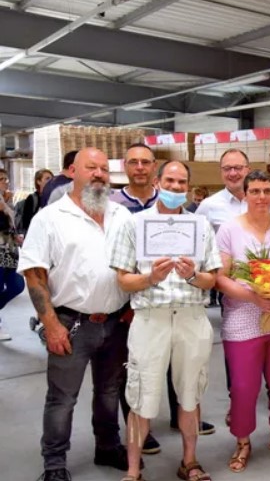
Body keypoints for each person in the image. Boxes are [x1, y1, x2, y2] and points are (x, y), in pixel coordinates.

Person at [18, 148, 133, 481]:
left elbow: (134, 266)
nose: (98, 174)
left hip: (115, 321)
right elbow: (35, 273)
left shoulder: (121, 216)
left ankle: (108, 447)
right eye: (90, 168)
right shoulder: (51, 218)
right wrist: (51, 325)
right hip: (71, 324)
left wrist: (131, 309)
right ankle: (54, 464)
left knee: (110, 391)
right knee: (62, 398)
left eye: (103, 169)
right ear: (72, 172)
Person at [110, 160, 222, 481]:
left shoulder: (200, 227)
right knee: (141, 396)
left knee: (190, 393)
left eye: (181, 182)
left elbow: (211, 280)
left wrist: (192, 276)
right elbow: (123, 280)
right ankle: (133, 472)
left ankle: (189, 462)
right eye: (170, 181)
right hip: (150, 320)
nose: (175, 188)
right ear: (158, 181)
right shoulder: (134, 224)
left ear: (188, 186)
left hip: (191, 318)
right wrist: (150, 277)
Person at [216, 169, 270, 472]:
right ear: (245, 194)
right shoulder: (230, 230)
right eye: (255, 191)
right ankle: (242, 442)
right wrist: (254, 297)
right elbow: (220, 278)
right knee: (243, 387)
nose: (262, 197)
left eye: (267, 190)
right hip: (242, 321)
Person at [196, 149, 270, 231]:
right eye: (227, 168)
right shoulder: (208, 206)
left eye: (238, 168)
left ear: (248, 170)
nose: (233, 173)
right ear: (221, 172)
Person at [0, 169, 25, 341]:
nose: (5, 182)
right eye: (1, 179)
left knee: (17, 284)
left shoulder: (7, 199)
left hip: (9, 249)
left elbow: (12, 222)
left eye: (6, 178)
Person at [109, 143, 159, 212]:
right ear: (125, 166)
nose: (140, 167)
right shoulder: (111, 203)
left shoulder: (165, 203)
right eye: (133, 162)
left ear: (155, 166)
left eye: (145, 162)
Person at [19, 168, 53, 234]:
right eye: (47, 178)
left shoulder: (54, 197)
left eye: (52, 178)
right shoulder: (32, 198)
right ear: (38, 181)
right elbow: (26, 221)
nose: (51, 181)